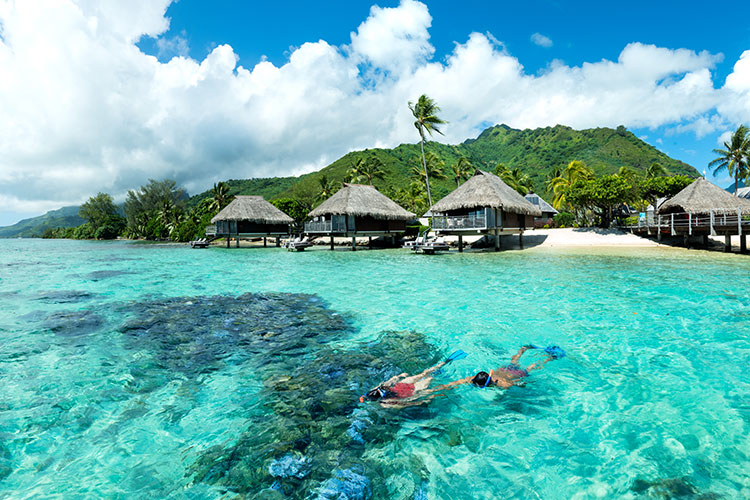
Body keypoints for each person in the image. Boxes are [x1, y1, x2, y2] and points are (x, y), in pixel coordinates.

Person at [360, 350, 467, 407]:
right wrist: (400, 376)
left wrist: (422, 401)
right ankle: (444, 363)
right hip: (402, 384)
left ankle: (439, 372)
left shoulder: (385, 404)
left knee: (428, 380)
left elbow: (405, 404)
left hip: (407, 393)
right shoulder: (377, 388)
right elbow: (391, 380)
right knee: (423, 374)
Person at [469, 344, 565, 389]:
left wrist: (527, 383)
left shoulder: (502, 384)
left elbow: (518, 383)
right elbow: (464, 380)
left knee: (532, 367)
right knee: (514, 361)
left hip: (517, 374)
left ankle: (550, 357)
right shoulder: (480, 377)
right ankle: (523, 349)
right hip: (505, 368)